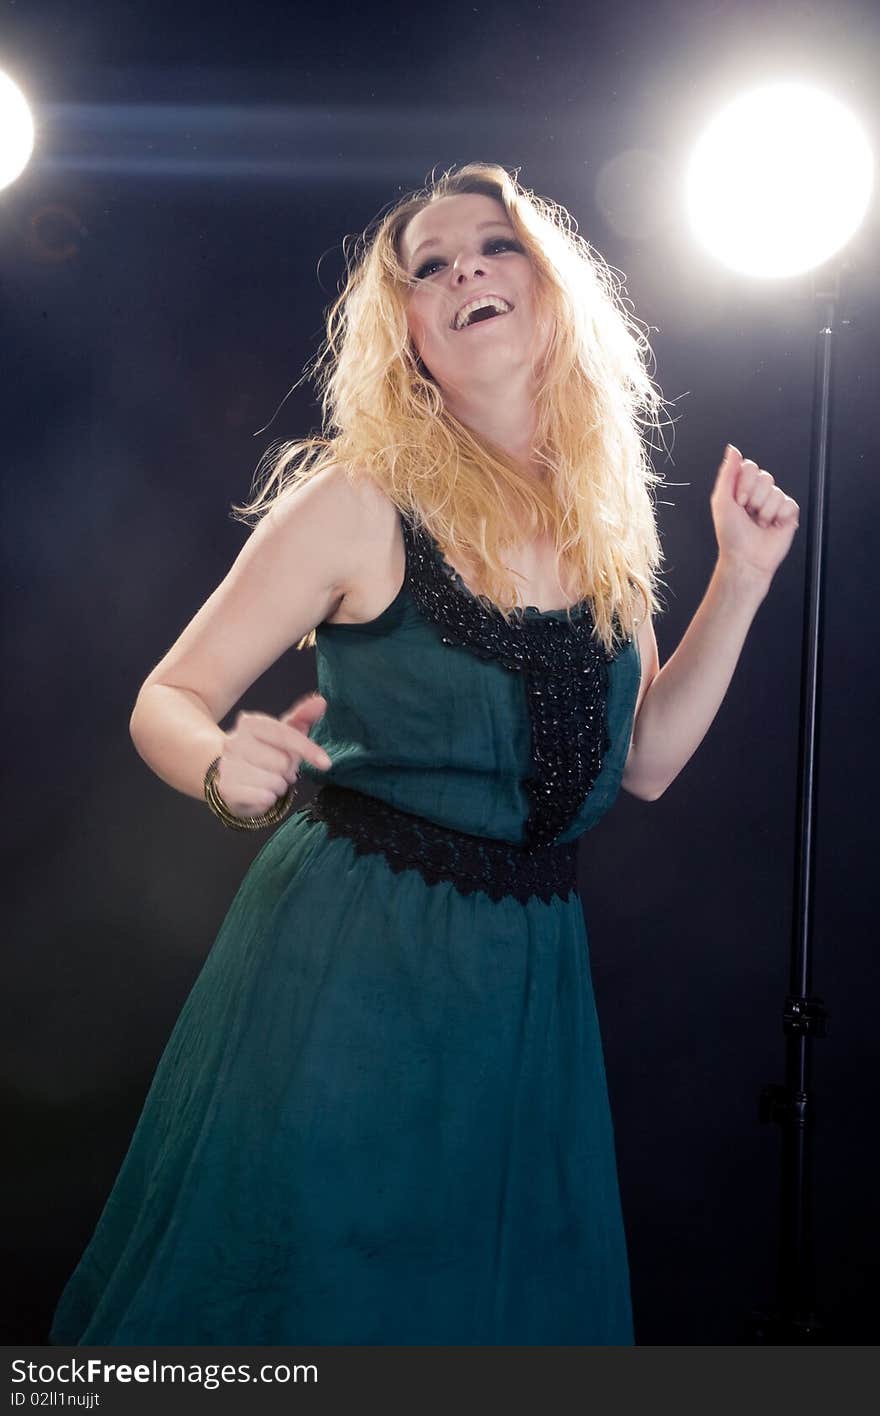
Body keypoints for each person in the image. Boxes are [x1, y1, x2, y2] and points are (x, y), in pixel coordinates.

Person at [49, 162, 799, 1346]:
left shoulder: (605, 514)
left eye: (492, 249)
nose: (465, 274)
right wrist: (212, 762)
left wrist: (741, 585)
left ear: (550, 293)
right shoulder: (358, 503)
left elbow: (642, 758)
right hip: (353, 965)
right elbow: (170, 694)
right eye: (429, 268)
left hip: (527, 978)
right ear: (407, 335)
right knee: (325, 1306)